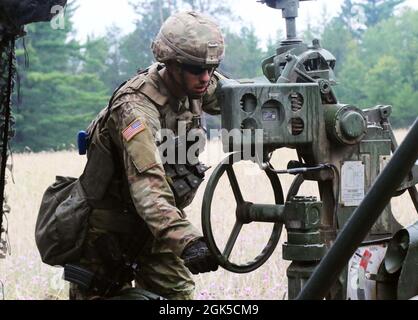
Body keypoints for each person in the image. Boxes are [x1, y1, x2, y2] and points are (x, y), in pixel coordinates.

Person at [67, 11, 225, 300]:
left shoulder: (198, 82)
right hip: (108, 234)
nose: (206, 78)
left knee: (178, 299)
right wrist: (187, 240)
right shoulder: (135, 109)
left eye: (212, 68)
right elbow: (147, 185)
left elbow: (244, 100)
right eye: (195, 68)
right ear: (171, 64)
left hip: (157, 230)